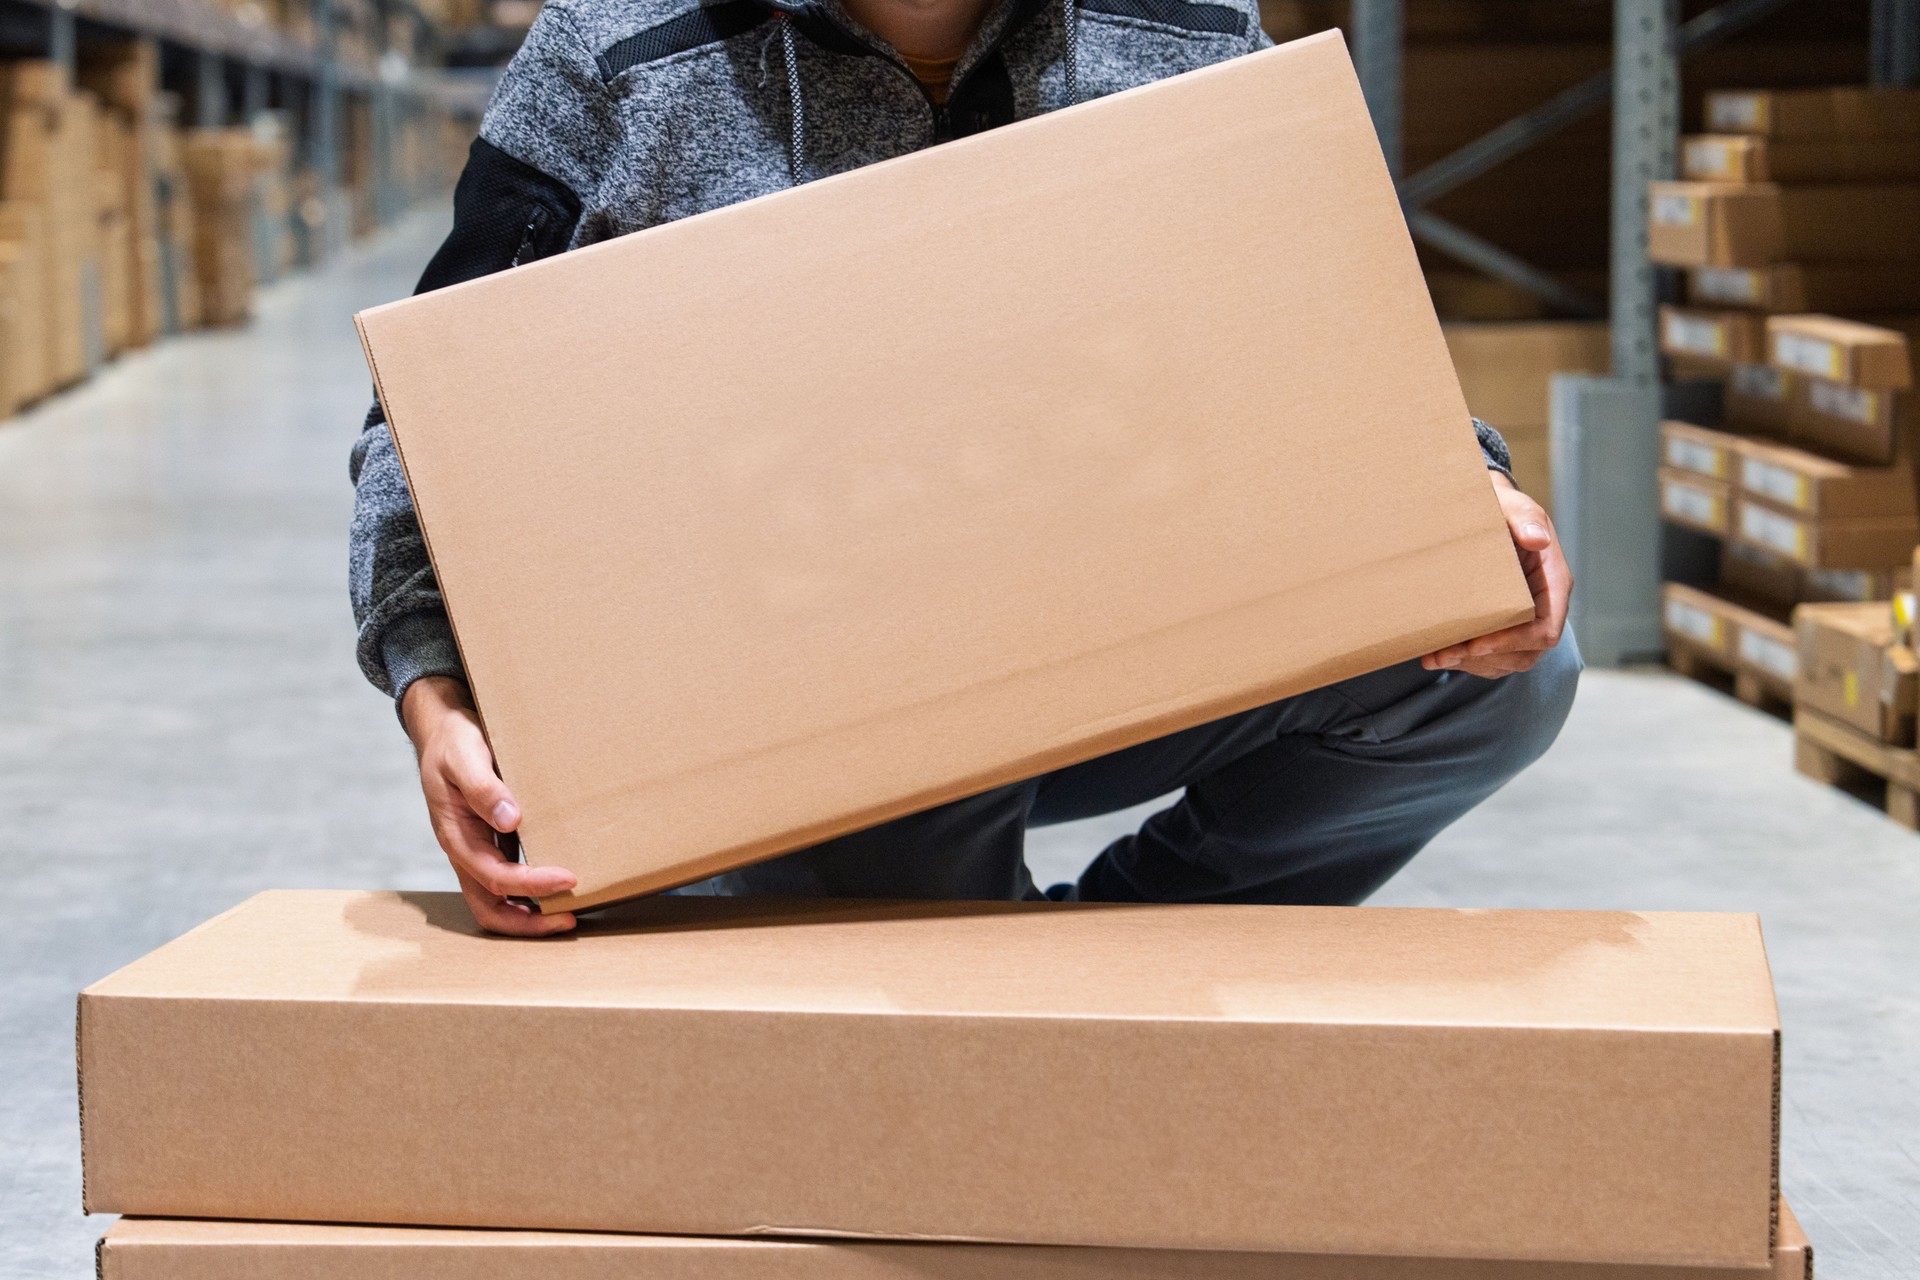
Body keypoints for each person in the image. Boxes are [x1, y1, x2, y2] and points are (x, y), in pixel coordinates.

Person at [351, 0, 1580, 936]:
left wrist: (1461, 490)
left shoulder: (1181, 25)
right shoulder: (614, 51)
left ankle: (1114, 952)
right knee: (929, 1015)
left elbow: (1317, 308)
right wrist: (434, 690)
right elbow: (429, 413)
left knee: (1489, 676)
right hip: (802, 679)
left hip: (1132, 618)